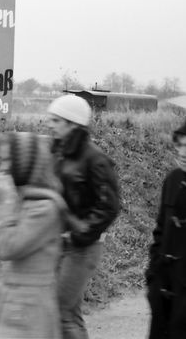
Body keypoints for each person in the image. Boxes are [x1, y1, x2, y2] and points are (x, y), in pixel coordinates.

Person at [0, 132, 83, 339]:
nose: (3, 168)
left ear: (25, 164)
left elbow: (8, 247)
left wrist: (6, 203)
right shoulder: (27, 201)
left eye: (8, 160)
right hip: (14, 307)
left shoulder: (45, 208)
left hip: (28, 314)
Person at [46, 94, 120, 339]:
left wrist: (79, 234)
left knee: (59, 310)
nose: (51, 125)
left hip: (83, 247)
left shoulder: (95, 159)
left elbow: (109, 206)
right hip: (62, 243)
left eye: (57, 121)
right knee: (68, 313)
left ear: (72, 124)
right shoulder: (61, 154)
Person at [146, 113, 186, 339]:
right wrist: (153, 277)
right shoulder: (173, 180)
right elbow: (160, 232)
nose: (183, 152)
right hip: (165, 295)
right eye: (181, 145)